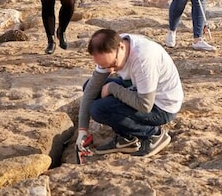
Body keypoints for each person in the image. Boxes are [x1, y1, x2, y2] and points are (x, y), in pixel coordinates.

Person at [75, 29, 183, 157]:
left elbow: (145, 105)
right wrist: (82, 131)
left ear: (121, 47)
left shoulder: (143, 58)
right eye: (105, 67)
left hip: (161, 106)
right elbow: (91, 91)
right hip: (137, 89)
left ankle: (153, 135)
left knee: (99, 109)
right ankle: (127, 139)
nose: (111, 70)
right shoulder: (110, 49)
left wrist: (113, 88)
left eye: (113, 65)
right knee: (90, 87)